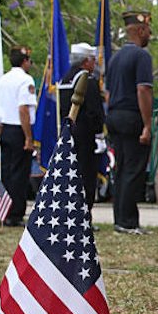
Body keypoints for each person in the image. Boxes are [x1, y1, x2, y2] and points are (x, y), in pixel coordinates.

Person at [105, 10, 155, 235]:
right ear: (141, 30)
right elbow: (143, 90)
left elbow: (107, 93)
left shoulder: (115, 58)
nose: (150, 35)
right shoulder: (141, 56)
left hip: (115, 115)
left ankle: (121, 218)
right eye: (148, 30)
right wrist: (147, 124)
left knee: (121, 168)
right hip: (132, 116)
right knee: (134, 170)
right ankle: (128, 221)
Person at [0, 46, 38, 226]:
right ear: (25, 61)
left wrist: (1, 130)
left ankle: (5, 210)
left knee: (7, 172)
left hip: (5, 129)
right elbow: (23, 109)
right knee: (20, 173)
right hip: (20, 129)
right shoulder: (26, 80)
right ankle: (16, 213)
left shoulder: (2, 80)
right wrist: (28, 137)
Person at [60, 42, 106, 212]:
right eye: (93, 60)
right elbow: (95, 111)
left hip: (68, 134)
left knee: (70, 176)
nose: (95, 63)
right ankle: (84, 214)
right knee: (86, 176)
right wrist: (99, 132)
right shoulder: (87, 80)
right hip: (85, 136)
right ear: (85, 61)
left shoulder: (64, 79)